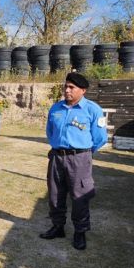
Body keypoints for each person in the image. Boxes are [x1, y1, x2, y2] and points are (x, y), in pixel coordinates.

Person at [40, 72, 107, 250]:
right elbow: (50, 132)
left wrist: (83, 152)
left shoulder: (93, 110)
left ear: (82, 90)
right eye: (66, 86)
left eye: (72, 87)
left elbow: (100, 138)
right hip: (56, 156)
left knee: (80, 196)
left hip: (79, 158)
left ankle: (80, 232)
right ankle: (58, 226)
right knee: (55, 194)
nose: (67, 90)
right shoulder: (56, 108)